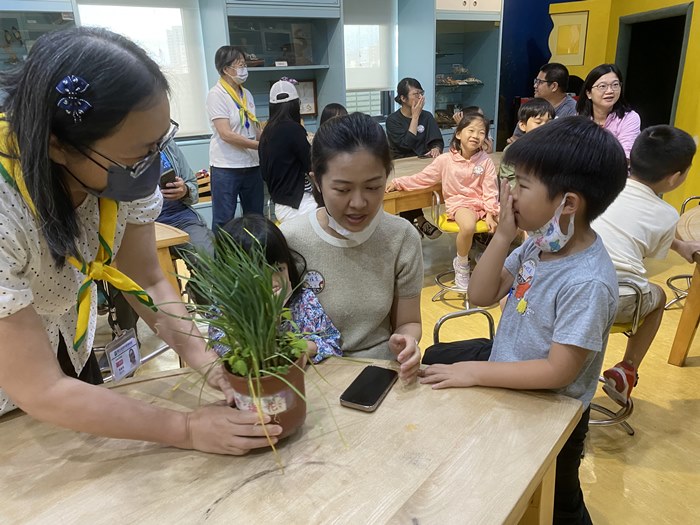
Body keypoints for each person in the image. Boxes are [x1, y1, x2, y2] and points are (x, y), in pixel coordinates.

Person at [0, 27, 281, 454]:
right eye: (139, 154)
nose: (153, 168)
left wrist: (204, 360)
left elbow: (147, 278)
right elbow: (37, 388)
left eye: (158, 144)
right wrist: (186, 428)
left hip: (66, 355)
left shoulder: (120, 175)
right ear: (57, 145)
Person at [419, 117, 629, 524]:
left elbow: (558, 371)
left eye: (523, 185)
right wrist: (501, 238)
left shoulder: (587, 281)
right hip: (512, 385)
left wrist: (475, 372)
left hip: (555, 415)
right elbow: (481, 295)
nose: (510, 194)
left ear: (568, 202)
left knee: (558, 500)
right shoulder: (538, 244)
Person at [280, 112, 422, 381]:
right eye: (343, 190)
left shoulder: (401, 237)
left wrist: (407, 342)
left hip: (378, 372)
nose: (358, 203)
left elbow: (408, 322)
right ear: (317, 182)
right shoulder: (290, 241)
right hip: (312, 375)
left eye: (372, 187)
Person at [592, 125, 698, 404]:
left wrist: (680, 245)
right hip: (619, 300)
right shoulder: (666, 214)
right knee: (658, 294)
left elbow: (633, 229)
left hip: (569, 288)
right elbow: (650, 239)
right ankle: (628, 368)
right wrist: (682, 246)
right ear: (676, 178)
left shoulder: (603, 185)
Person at [387, 112, 499, 290]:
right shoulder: (445, 160)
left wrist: (491, 213)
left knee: (512, 222)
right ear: (459, 133)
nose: (476, 136)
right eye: (471, 130)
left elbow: (490, 190)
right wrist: (398, 182)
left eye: (481, 132)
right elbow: (423, 178)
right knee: (468, 226)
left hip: (484, 204)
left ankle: (487, 259)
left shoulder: (486, 161)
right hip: (461, 204)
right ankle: (462, 265)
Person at [210, 215, 341, 363]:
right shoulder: (225, 310)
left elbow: (333, 345)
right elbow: (228, 355)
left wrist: (305, 349)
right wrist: (269, 319)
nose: (273, 282)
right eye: (257, 275)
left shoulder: (304, 301)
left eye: (278, 268)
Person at [206, 46, 263, 232]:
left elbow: (253, 125)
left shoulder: (246, 94)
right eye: (240, 65)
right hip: (226, 166)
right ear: (225, 69)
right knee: (224, 220)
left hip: (252, 164)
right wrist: (259, 146)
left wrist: (265, 141)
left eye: (245, 65)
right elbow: (226, 134)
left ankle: (255, 259)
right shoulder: (216, 95)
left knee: (255, 218)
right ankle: (223, 261)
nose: (243, 70)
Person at [385, 77, 443, 239]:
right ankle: (419, 220)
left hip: (423, 165)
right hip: (401, 165)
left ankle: (412, 225)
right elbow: (405, 144)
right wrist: (415, 117)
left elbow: (437, 140)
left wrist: (436, 149)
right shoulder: (392, 120)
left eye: (421, 93)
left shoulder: (428, 116)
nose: (420, 98)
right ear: (403, 98)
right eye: (415, 94)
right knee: (406, 187)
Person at [259, 80, 315, 223]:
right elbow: (311, 165)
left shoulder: (266, 133)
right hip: (299, 205)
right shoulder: (294, 129)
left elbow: (265, 175)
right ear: (296, 105)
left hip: (280, 206)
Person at [576, 63, 640, 159]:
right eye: (602, 86)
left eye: (615, 85)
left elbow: (625, 156)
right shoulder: (579, 118)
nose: (610, 91)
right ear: (588, 93)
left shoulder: (630, 118)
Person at [508, 63, 577, 143]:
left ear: (554, 86)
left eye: (539, 82)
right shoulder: (533, 106)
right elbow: (515, 139)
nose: (535, 85)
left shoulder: (573, 111)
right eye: (536, 81)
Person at [499, 98, 555, 187]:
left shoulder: (557, 150)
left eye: (549, 122)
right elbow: (509, 183)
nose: (544, 127)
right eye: (538, 122)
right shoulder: (513, 151)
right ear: (522, 125)